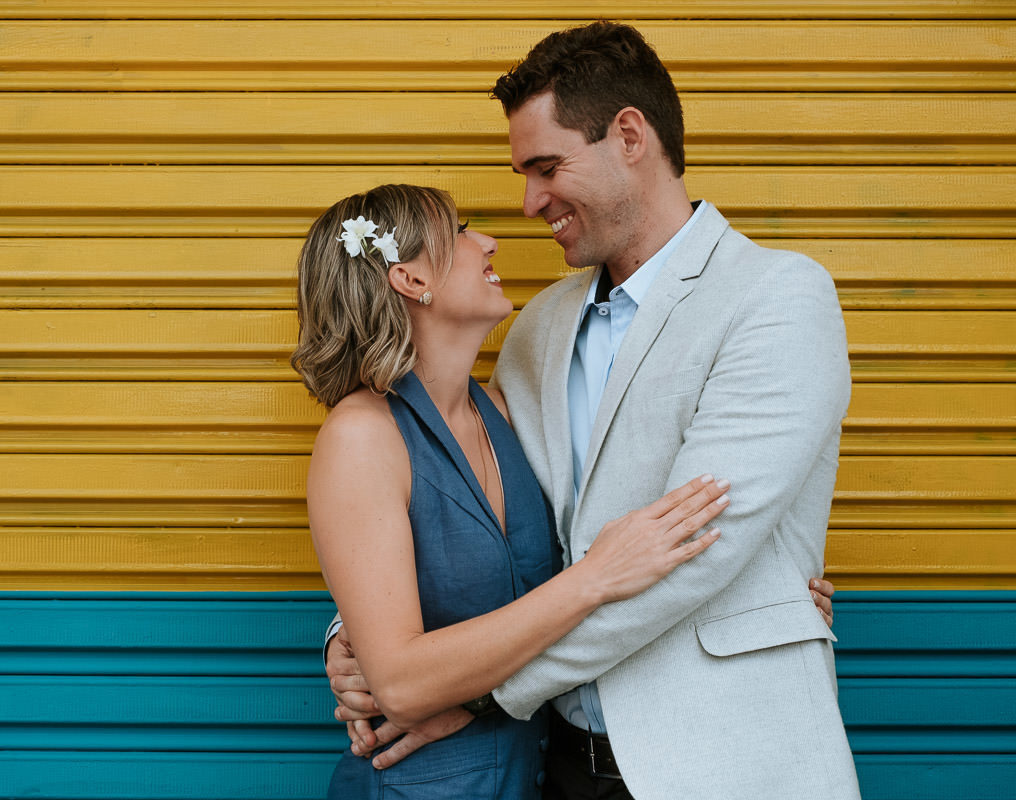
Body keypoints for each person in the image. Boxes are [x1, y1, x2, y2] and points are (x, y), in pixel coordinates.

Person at [325, 20, 860, 800]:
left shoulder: (775, 296)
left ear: (630, 137)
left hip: (727, 762)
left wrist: (460, 688)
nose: (529, 202)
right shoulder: (536, 327)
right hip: (563, 768)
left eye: (546, 167)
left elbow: (697, 552)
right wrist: (363, 641)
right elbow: (474, 509)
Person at [294, 183, 737, 799]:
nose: (488, 240)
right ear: (408, 279)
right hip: (420, 786)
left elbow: (630, 511)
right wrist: (596, 577)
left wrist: (766, 585)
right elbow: (398, 684)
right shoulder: (361, 435)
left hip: (534, 780)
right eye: (460, 230)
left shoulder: (510, 413)